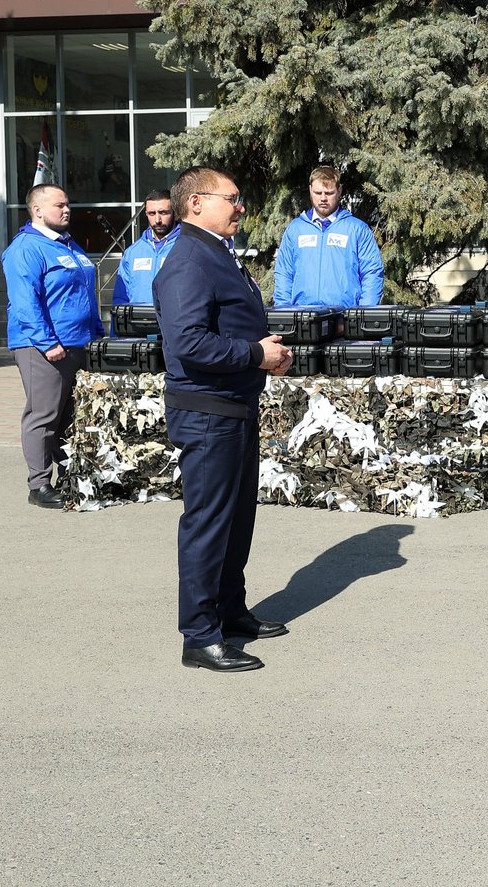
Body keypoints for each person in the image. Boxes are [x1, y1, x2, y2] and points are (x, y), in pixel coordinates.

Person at [154, 167, 295, 673]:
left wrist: (267, 355)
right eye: (231, 198)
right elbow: (188, 342)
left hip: (232, 406)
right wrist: (254, 354)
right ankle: (199, 635)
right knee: (209, 524)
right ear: (195, 203)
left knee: (236, 521)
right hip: (207, 412)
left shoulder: (214, 253)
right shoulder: (188, 259)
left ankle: (230, 612)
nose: (241, 207)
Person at [2, 184, 103, 509]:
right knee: (43, 415)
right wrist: (47, 343)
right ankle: (39, 485)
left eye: (67, 203)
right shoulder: (26, 248)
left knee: (70, 416)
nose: (66, 209)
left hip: (79, 342)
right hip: (44, 347)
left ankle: (71, 476)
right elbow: (25, 303)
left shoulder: (69, 245)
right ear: (38, 210)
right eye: (59, 205)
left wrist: (98, 335)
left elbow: (85, 295)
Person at [273, 165, 386, 307]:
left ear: (339, 192)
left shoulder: (357, 229)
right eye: (318, 193)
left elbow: (372, 272)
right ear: (310, 191)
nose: (323, 198)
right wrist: (284, 313)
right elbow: (284, 273)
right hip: (303, 319)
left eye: (329, 193)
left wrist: (361, 316)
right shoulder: (295, 229)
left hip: (345, 319)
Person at [111, 191, 179, 306]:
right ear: (146, 214)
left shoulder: (187, 247)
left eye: (163, 212)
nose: (157, 220)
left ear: (175, 213)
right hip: (138, 321)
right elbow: (120, 298)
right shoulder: (132, 252)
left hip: (174, 322)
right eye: (152, 213)